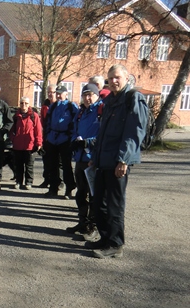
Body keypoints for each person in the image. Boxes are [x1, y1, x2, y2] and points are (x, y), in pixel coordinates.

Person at [86, 64, 148, 258]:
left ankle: (115, 244)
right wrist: (94, 158)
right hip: (103, 160)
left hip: (118, 162)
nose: (113, 81)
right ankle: (105, 238)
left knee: (114, 205)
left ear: (126, 77)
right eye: (110, 78)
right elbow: (103, 134)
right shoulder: (111, 100)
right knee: (99, 204)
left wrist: (124, 160)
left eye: (117, 77)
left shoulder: (133, 98)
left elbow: (134, 132)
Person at [67, 83, 102, 240]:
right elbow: (74, 130)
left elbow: (104, 135)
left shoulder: (102, 111)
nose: (88, 98)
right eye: (85, 95)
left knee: (95, 195)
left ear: (97, 95)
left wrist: (88, 142)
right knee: (81, 194)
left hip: (93, 160)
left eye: (91, 95)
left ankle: (93, 227)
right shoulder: (81, 112)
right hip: (80, 159)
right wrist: (75, 140)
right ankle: (82, 222)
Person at [43, 84, 78, 198]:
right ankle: (53, 188)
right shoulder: (53, 106)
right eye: (56, 93)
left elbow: (76, 122)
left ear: (66, 94)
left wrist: (71, 137)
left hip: (65, 139)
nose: (58, 95)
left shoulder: (71, 106)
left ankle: (69, 188)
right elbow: (47, 121)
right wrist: (47, 135)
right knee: (52, 165)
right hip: (53, 138)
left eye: (60, 93)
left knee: (66, 165)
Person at [9, 97, 42, 190]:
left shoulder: (34, 116)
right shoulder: (15, 116)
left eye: (26, 103)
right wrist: (13, 139)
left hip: (30, 145)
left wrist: (39, 142)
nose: (24, 105)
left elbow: (38, 130)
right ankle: (18, 181)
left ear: (29, 104)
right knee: (18, 166)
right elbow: (11, 130)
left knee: (29, 166)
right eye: (22, 103)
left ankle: (28, 182)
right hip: (18, 145)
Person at [39, 84, 58, 188]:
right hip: (46, 137)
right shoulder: (44, 106)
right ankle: (46, 180)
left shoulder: (60, 105)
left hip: (57, 137)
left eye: (53, 92)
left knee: (56, 162)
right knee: (46, 160)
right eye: (49, 92)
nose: (50, 94)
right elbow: (42, 122)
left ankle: (58, 182)